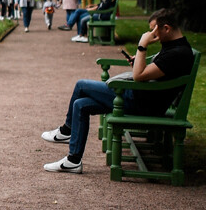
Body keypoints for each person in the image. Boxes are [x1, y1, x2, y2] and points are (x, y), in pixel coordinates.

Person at [42, 9, 194, 174]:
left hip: (142, 103)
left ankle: (66, 131)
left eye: (154, 30)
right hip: (143, 97)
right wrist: (139, 62)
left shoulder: (178, 53)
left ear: (166, 28)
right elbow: (153, 71)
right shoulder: (175, 47)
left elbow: (138, 76)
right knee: (80, 105)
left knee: (81, 85)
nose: (151, 34)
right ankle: (73, 161)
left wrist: (142, 46)